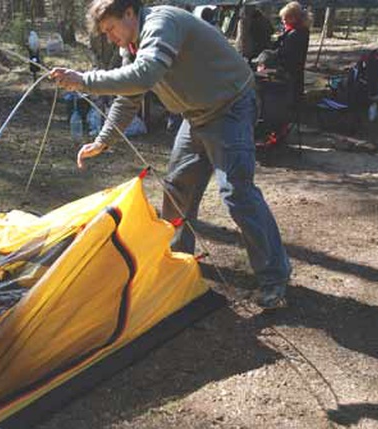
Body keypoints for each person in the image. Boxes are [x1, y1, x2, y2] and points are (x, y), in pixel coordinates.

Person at [50, 0, 291, 309]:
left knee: (237, 193)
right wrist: (103, 140)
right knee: (177, 189)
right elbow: (129, 94)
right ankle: (179, 262)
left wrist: (85, 80)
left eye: (110, 29)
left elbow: (144, 76)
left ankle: (274, 276)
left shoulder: (161, 24)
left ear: (128, 13)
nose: (111, 37)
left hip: (230, 107)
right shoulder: (132, 44)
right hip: (196, 115)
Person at [275, 2, 310, 101]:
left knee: (292, 93)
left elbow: (286, 52)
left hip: (291, 70)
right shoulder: (297, 30)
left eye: (286, 18)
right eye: (283, 18)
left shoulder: (297, 33)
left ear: (294, 17)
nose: (283, 21)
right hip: (294, 69)